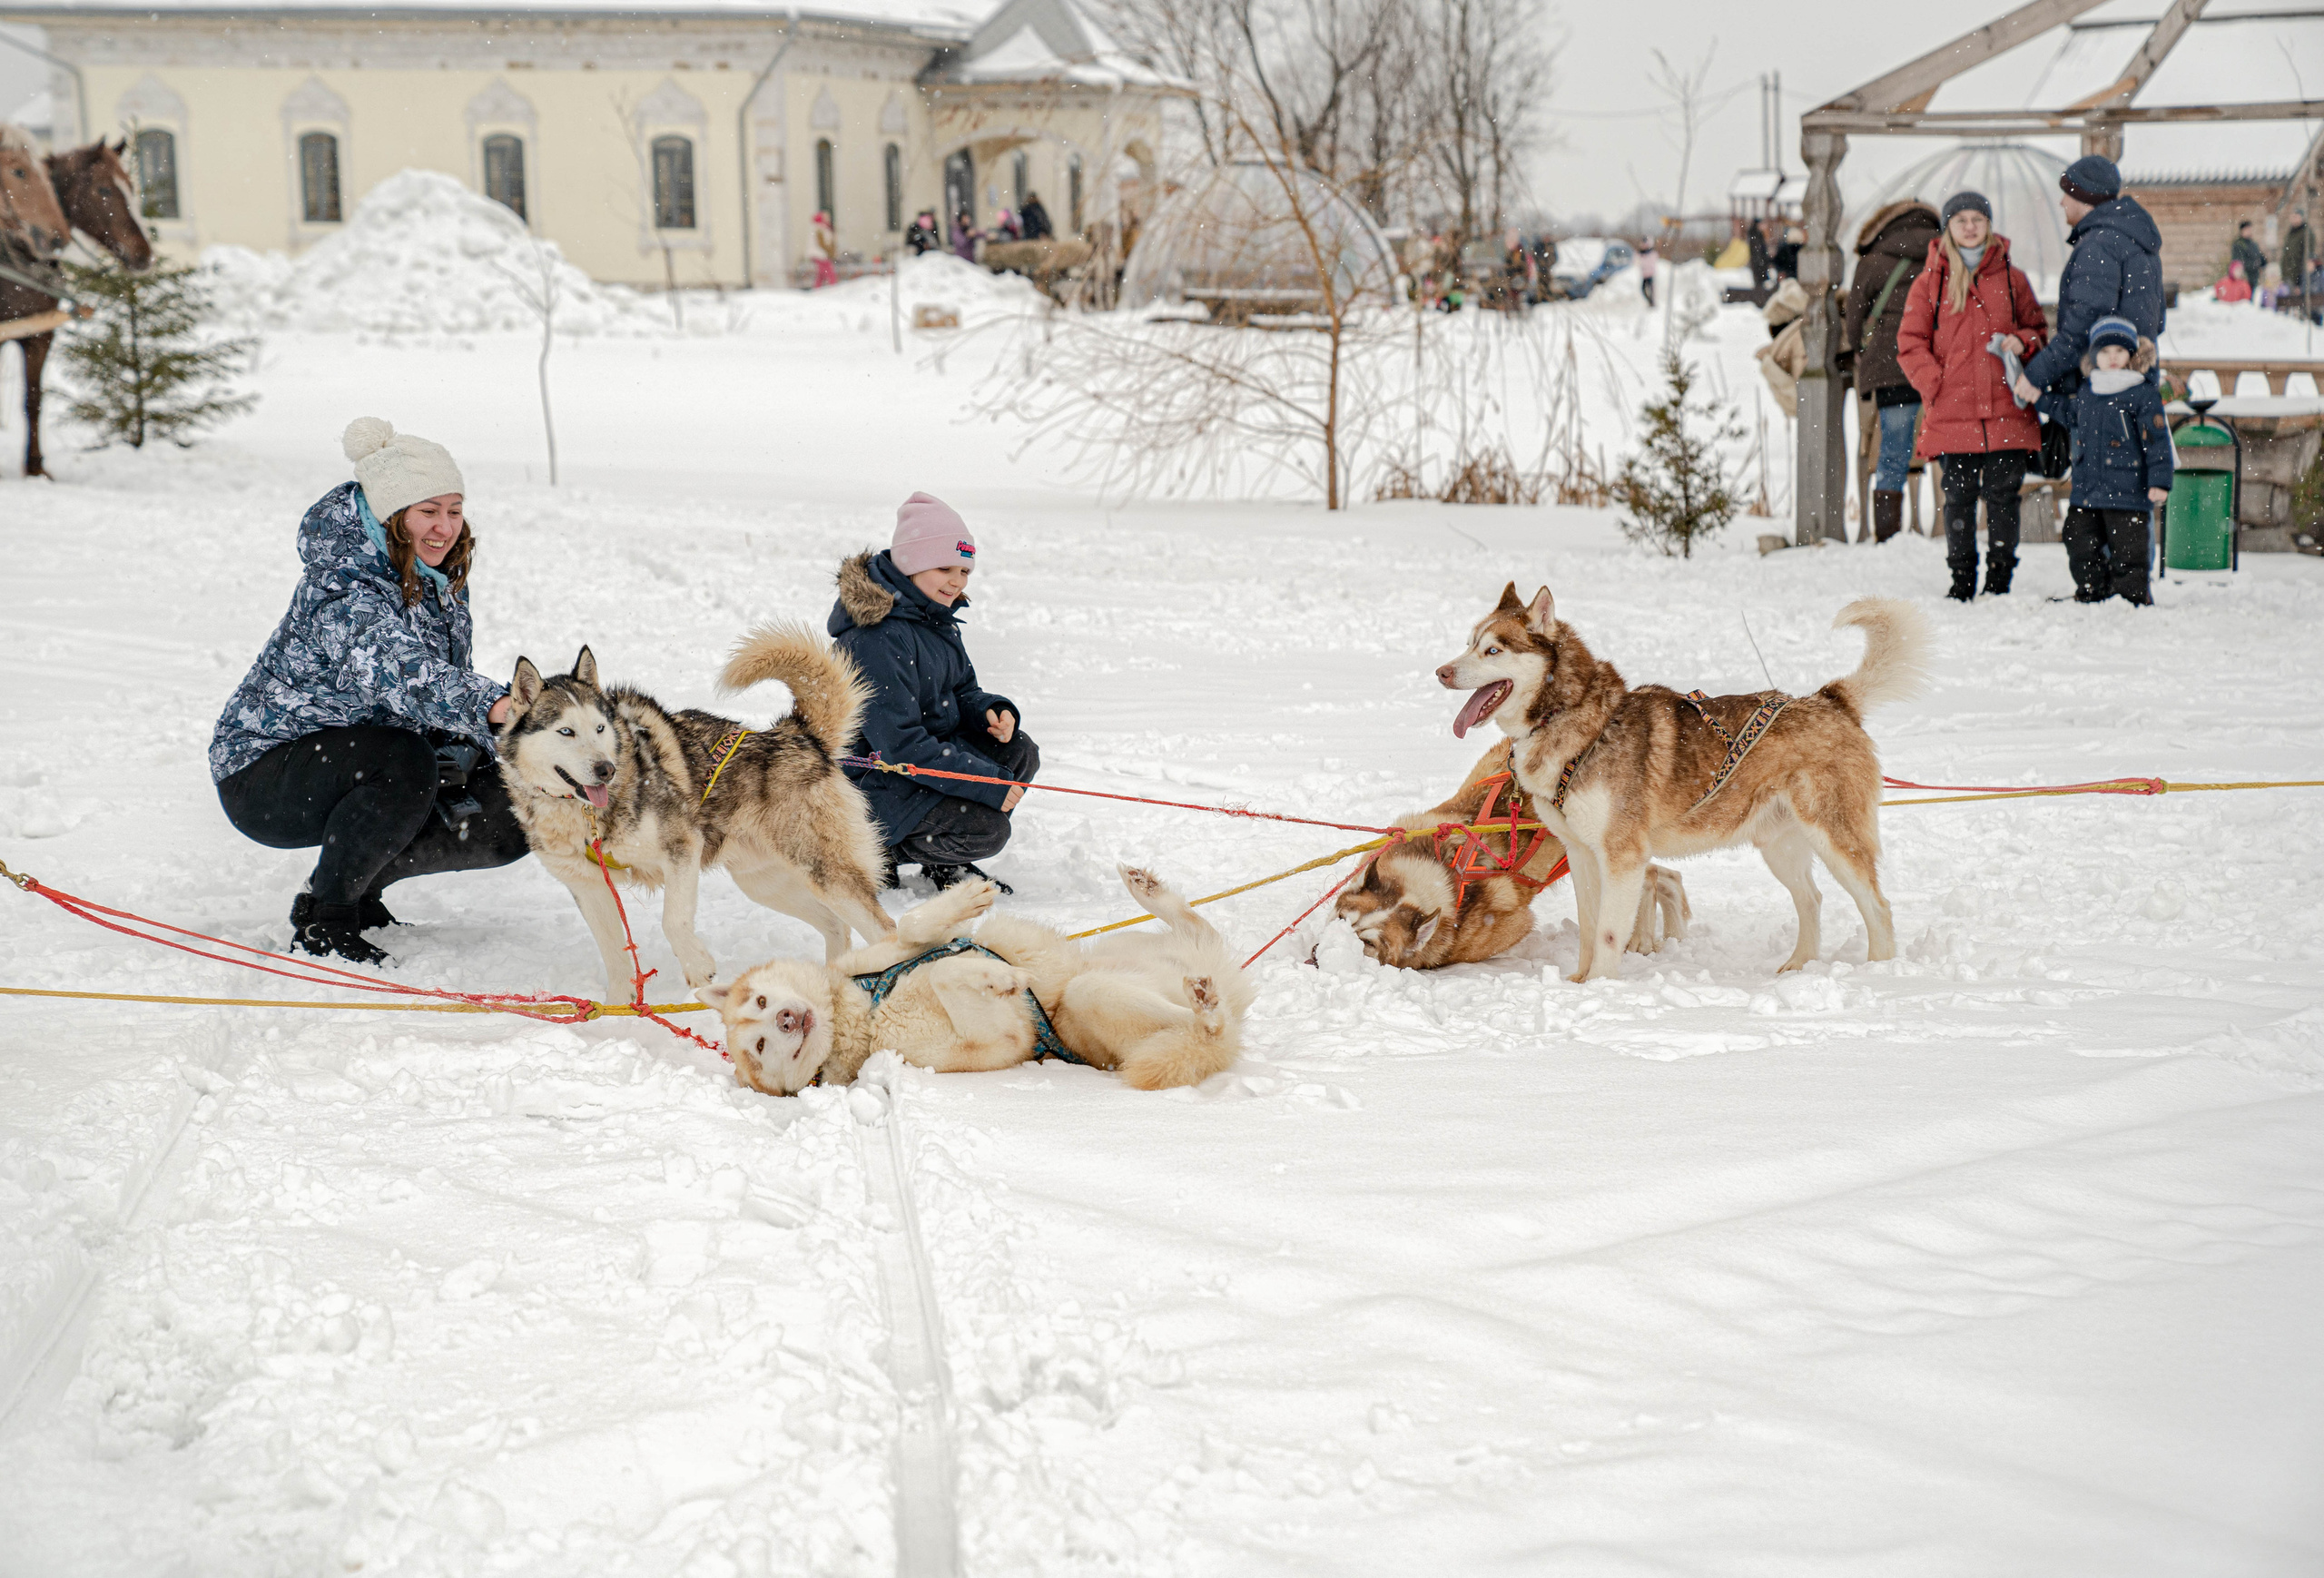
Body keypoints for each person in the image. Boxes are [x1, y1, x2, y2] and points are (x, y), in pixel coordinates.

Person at [210, 419, 527, 963]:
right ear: (390, 515)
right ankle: (325, 919)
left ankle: (359, 889)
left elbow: (435, 682)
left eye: (454, 510)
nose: (445, 526)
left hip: (353, 753)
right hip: (263, 776)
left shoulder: (435, 573)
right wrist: (496, 706)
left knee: (513, 791)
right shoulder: (342, 584)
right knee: (400, 760)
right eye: (428, 510)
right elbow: (398, 673)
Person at [830, 494, 1036, 893]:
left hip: (916, 766)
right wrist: (986, 783)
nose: (956, 582)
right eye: (944, 568)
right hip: (869, 781)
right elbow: (900, 746)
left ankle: (944, 863)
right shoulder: (877, 637)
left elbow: (961, 691)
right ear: (911, 564)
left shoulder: (933, 618)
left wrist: (990, 711)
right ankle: (872, 852)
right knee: (988, 830)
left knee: (1019, 751)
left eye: (964, 570)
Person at [1895, 190, 2049, 601]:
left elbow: (2039, 330)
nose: (1969, 227)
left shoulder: (2013, 279)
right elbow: (1910, 343)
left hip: (2005, 408)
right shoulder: (1930, 282)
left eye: (1977, 219)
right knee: (1959, 498)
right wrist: (1937, 386)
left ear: (1989, 224)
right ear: (1949, 227)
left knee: (2003, 497)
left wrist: (2022, 341)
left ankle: (2000, 579)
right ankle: (1961, 579)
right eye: (1960, 219)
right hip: (1954, 410)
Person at [2018, 316, 2173, 606]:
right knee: (2079, 541)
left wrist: (2159, 481)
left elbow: (2157, 441)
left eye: (2119, 351)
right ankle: (2093, 590)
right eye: (2104, 351)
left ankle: (2131, 597)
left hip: (2128, 493)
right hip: (2087, 491)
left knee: (2129, 549)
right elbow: (2066, 411)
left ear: (2130, 354)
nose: (2112, 358)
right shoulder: (2089, 391)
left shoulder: (2142, 394)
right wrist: (2039, 398)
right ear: (2094, 355)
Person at [2018, 154, 2164, 398]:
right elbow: (2155, 321)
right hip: (2133, 386)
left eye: (2067, 194)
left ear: (2084, 198)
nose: (2062, 202)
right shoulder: (2133, 237)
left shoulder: (2100, 244)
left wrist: (2037, 374)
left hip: (2102, 390)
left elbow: (2084, 321)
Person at [1840, 199, 1941, 545]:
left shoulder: (1873, 260)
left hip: (1890, 363)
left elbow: (1854, 322)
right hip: (1935, 364)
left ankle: (1887, 534)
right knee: (1947, 449)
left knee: (1893, 452)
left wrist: (1861, 349)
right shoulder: (1943, 255)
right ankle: (1948, 527)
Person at [2281, 209, 2312, 320]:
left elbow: (2307, 257)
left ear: (2301, 217)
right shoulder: (2291, 232)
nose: (2293, 219)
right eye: (2292, 216)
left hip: (2299, 274)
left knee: (2299, 303)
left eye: (2296, 217)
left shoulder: (2306, 233)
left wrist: (2299, 281)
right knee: (2289, 302)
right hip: (2288, 274)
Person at [2230, 220, 2268, 294]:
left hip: (2255, 278)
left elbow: (2260, 257)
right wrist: (2254, 264)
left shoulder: (2253, 244)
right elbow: (2238, 263)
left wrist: (2263, 262)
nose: (2249, 231)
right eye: (2247, 229)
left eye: (2250, 229)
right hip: (2245, 279)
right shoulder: (2239, 245)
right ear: (2242, 230)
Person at [811, 209, 838, 289]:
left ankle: (817, 289)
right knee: (829, 273)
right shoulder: (820, 229)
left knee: (821, 274)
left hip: (820, 254)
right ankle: (833, 287)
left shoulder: (821, 228)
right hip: (821, 254)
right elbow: (822, 243)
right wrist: (830, 251)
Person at [1747, 218, 1771, 291]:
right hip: (1759, 263)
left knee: (1760, 282)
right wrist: (1761, 262)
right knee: (1760, 282)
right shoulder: (1756, 235)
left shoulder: (1756, 234)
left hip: (1758, 262)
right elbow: (1757, 251)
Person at [1638, 239, 1658, 307]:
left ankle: (1652, 302)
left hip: (1650, 274)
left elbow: (1652, 261)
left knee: (1651, 289)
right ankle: (1650, 301)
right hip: (1644, 275)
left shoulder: (1651, 253)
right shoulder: (1641, 253)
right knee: (1643, 289)